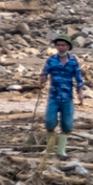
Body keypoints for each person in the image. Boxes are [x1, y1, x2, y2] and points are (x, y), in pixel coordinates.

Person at [37, 31, 86, 160]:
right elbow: (44, 73)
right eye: (58, 45)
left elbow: (78, 78)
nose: (60, 47)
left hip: (67, 97)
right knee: (49, 122)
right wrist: (42, 78)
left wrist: (80, 92)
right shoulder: (51, 60)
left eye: (63, 45)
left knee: (66, 124)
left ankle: (61, 150)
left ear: (68, 47)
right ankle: (50, 148)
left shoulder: (73, 61)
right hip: (54, 96)